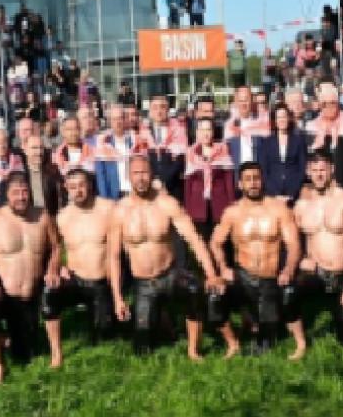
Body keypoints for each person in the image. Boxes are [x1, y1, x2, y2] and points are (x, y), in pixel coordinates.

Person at [109, 154, 226, 358]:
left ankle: (193, 350)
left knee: (193, 289)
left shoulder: (167, 203)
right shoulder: (120, 211)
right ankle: (162, 321)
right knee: (142, 348)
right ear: (128, 176)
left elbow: (194, 239)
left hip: (170, 274)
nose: (141, 178)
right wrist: (118, 298)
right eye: (136, 173)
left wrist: (211, 273)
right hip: (144, 282)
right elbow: (114, 257)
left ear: (152, 174)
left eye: (145, 172)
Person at [207, 162, 301, 358]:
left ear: (262, 180)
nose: (253, 183)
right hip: (242, 276)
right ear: (240, 184)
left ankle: (263, 325)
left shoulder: (279, 209)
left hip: (270, 278)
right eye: (248, 179)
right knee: (214, 297)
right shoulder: (232, 212)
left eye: (256, 178)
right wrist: (223, 268)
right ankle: (233, 343)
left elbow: (293, 244)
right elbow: (215, 242)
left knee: (264, 343)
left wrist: (288, 269)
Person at [0, 172, 61, 377]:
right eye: (16, 193)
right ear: (6, 195)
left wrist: (53, 269)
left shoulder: (43, 217)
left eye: (25, 192)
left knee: (25, 353)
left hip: (31, 294)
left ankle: (53, 352)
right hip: (2, 294)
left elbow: (57, 246)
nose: (21, 197)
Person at [289, 151, 343, 353]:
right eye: (314, 170)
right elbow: (292, 241)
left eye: (322, 169)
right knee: (288, 293)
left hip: (342, 274)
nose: (319, 175)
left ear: (332, 169)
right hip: (317, 272)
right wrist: (302, 259)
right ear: (308, 172)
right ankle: (300, 343)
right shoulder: (302, 205)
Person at [43, 168, 116, 364]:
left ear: (90, 185)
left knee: (104, 334)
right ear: (66, 188)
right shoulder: (62, 217)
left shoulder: (108, 209)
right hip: (75, 279)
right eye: (73, 187)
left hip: (102, 281)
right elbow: (56, 248)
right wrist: (56, 268)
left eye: (82, 185)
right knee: (50, 293)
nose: (78, 191)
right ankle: (56, 352)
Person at [256, 105, 307, 201]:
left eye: (284, 116)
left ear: (289, 118)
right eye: (279, 117)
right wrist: (273, 193)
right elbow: (263, 170)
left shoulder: (299, 141)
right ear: (275, 121)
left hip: (294, 193)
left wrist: (293, 192)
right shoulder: (266, 143)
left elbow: (302, 168)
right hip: (272, 193)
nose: (282, 120)